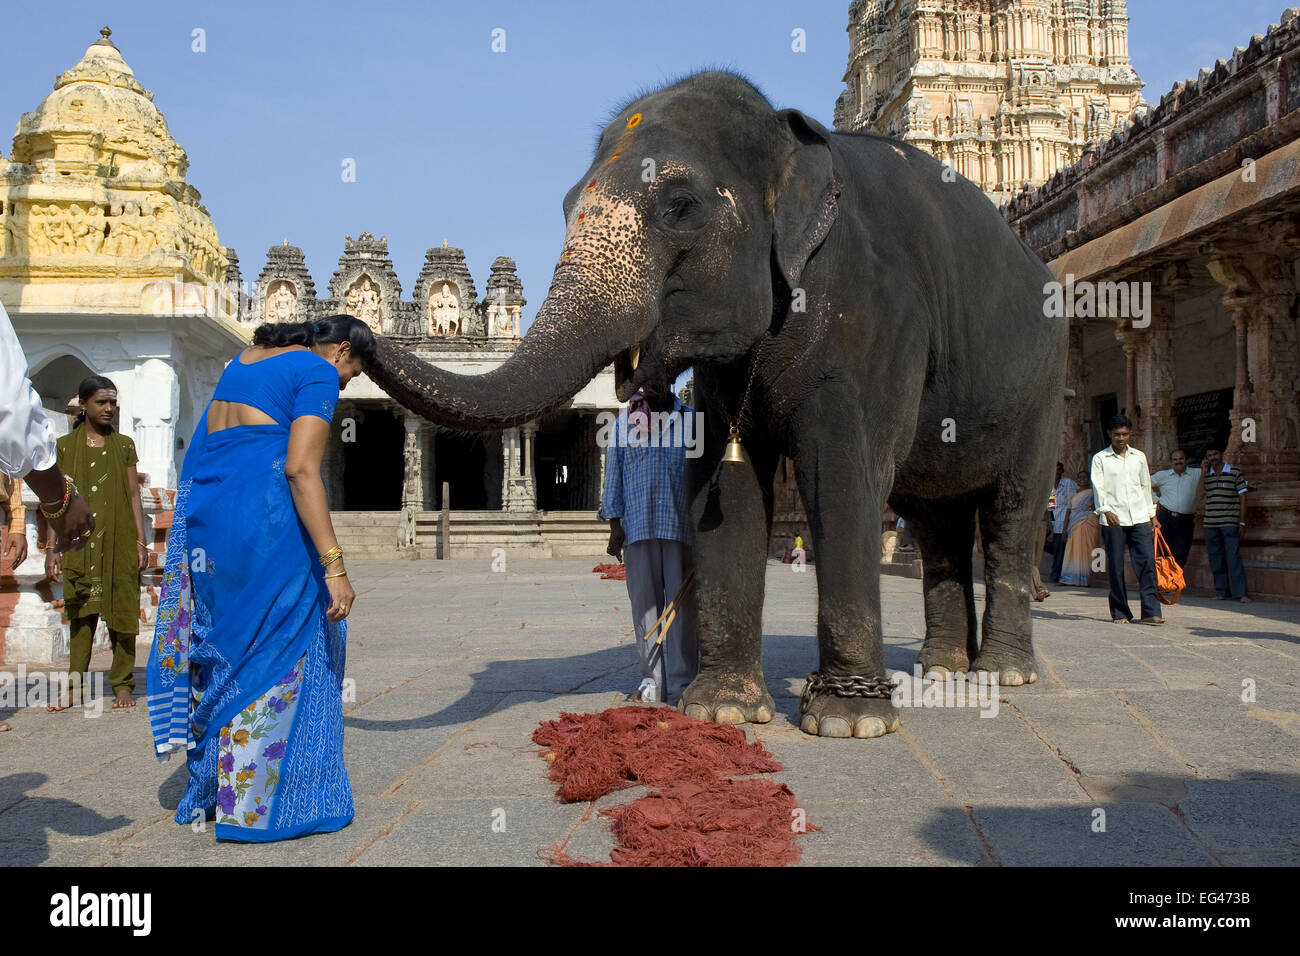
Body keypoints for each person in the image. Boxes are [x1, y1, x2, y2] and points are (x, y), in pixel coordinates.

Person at [146, 315, 373, 842]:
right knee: (292, 645)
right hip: (270, 526)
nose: (343, 385)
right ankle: (267, 805)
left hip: (212, 524)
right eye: (351, 374)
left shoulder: (240, 363)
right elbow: (299, 468)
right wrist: (335, 565)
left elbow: (203, 455)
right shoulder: (314, 371)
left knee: (225, 644)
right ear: (339, 351)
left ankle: (210, 787)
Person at [1, 299, 96, 733]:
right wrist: (58, 498)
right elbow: (10, 414)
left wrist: (21, 524)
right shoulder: (67, 447)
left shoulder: (123, 446)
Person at [45, 376, 149, 712]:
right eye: (102, 402)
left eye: (113, 402)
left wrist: (141, 541)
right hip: (79, 542)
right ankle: (74, 686)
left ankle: (121, 684)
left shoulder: (124, 446)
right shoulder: (63, 446)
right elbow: (54, 500)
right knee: (81, 614)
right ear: (84, 404)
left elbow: (134, 495)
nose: (109, 409)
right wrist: (51, 548)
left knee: (122, 611)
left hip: (119, 540)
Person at [598, 384, 698, 704]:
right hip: (638, 528)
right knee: (645, 610)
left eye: (660, 376)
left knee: (682, 612)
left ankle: (684, 682)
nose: (652, 384)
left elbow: (702, 476)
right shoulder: (623, 424)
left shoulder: (691, 420)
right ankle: (651, 681)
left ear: (669, 380)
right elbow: (613, 475)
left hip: (680, 527)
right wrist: (615, 525)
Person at [1090, 414, 1163, 624]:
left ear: (1130, 434)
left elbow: (1145, 486)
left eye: (1124, 434)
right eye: (1117, 434)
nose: (1121, 438)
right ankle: (1121, 612)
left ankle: (1151, 611)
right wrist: (1105, 510)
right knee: (1116, 566)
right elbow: (1098, 486)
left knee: (1147, 562)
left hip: (1139, 516)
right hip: (1114, 519)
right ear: (1109, 434)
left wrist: (1152, 514)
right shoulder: (1100, 458)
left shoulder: (1139, 457)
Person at [1200, 446, 1250, 603]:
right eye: (1209, 455)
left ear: (1221, 454)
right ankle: (1221, 591)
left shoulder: (1234, 472)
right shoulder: (1207, 475)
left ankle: (1241, 594)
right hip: (1210, 523)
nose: (1213, 457)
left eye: (1215, 453)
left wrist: (1242, 522)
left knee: (1233, 558)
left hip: (1229, 522)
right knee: (1216, 559)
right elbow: (1199, 494)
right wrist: (1203, 472)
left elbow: (1243, 497)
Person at [1150, 449, 1199, 570]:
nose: (1178, 462)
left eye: (1181, 459)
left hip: (1186, 520)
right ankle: (1163, 584)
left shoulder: (1197, 473)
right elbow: (1143, 484)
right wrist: (1156, 500)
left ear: (1186, 460)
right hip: (1165, 518)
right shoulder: (1163, 475)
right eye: (1175, 460)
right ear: (1171, 462)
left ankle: (1175, 584)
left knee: (1181, 553)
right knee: (1162, 552)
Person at [1059, 477, 1099, 587]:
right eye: (1080, 477)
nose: (1083, 479)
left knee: (1087, 549)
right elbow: (1068, 512)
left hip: (1088, 521)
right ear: (1077, 480)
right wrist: (1064, 528)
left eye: (1085, 476)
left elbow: (1097, 506)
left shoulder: (1093, 492)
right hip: (1074, 522)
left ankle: (1085, 578)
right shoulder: (1072, 494)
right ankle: (1070, 578)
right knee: (1074, 548)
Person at [1048, 461, 1079, 583]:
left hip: (1064, 521)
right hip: (1054, 522)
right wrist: (1050, 525)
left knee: (1059, 550)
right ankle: (1057, 572)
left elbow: (1071, 504)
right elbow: (1050, 507)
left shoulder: (1068, 483)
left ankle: (1056, 575)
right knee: (1053, 548)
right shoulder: (1049, 486)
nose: (1057, 472)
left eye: (1059, 470)